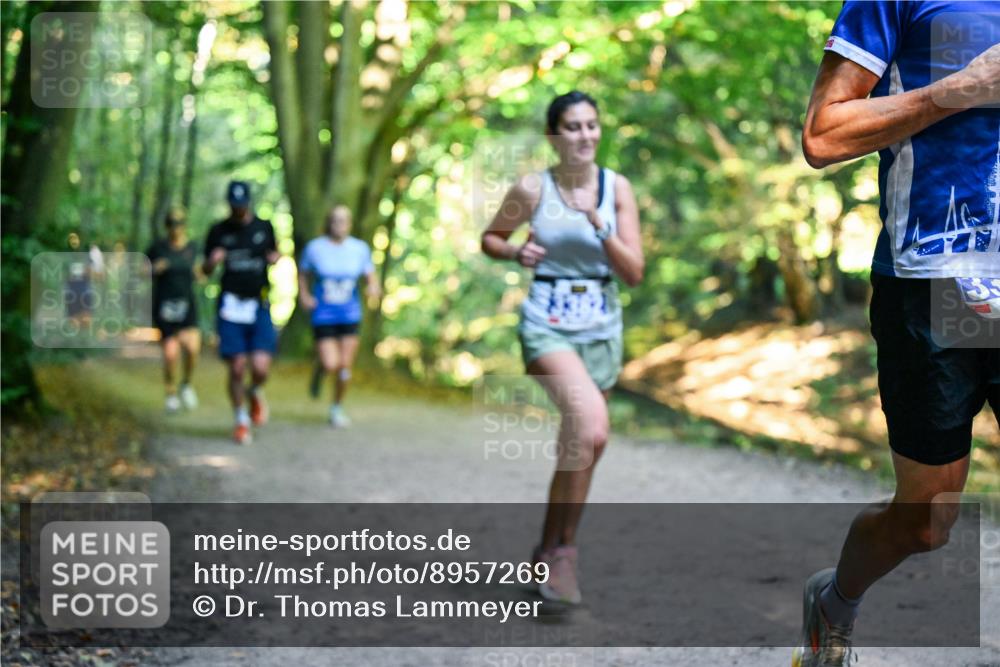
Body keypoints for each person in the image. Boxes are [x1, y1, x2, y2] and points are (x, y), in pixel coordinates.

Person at [796, 3, 999, 665]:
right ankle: (836, 600)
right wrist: (962, 89)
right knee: (926, 520)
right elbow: (824, 135)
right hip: (936, 283)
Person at [481, 91, 644, 604]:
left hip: (601, 328)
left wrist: (599, 225)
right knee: (591, 427)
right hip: (546, 326)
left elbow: (634, 273)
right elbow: (491, 238)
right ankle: (564, 557)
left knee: (583, 448)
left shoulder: (617, 188)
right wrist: (515, 251)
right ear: (554, 136)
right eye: (573, 127)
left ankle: (546, 550)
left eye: (592, 125)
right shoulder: (533, 188)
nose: (585, 135)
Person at [203, 181, 280, 445]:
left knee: (260, 367)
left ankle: (255, 390)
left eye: (242, 205)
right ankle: (241, 420)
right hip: (230, 306)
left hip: (258, 304)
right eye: (234, 205)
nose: (239, 209)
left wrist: (276, 258)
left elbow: (275, 253)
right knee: (236, 367)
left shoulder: (264, 227)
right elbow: (204, 271)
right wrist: (212, 261)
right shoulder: (217, 231)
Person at [298, 205, 380, 427]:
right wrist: (304, 295)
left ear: (350, 224)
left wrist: (373, 288)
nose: (340, 224)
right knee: (331, 363)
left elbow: (370, 275)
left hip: (350, 314)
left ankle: (336, 407)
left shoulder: (359, 249)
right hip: (323, 315)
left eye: (344, 220)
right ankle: (321, 368)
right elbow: (303, 274)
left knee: (345, 367)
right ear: (329, 222)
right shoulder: (315, 248)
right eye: (336, 220)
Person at [147, 209, 201, 414]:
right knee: (170, 354)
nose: (175, 228)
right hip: (165, 306)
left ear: (184, 225)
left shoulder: (192, 248)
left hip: (187, 306)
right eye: (171, 224)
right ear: (166, 226)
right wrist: (154, 269)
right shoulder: (157, 248)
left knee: (192, 348)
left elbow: (201, 272)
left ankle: (186, 384)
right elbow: (141, 270)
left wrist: (201, 272)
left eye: (178, 224)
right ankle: (170, 393)